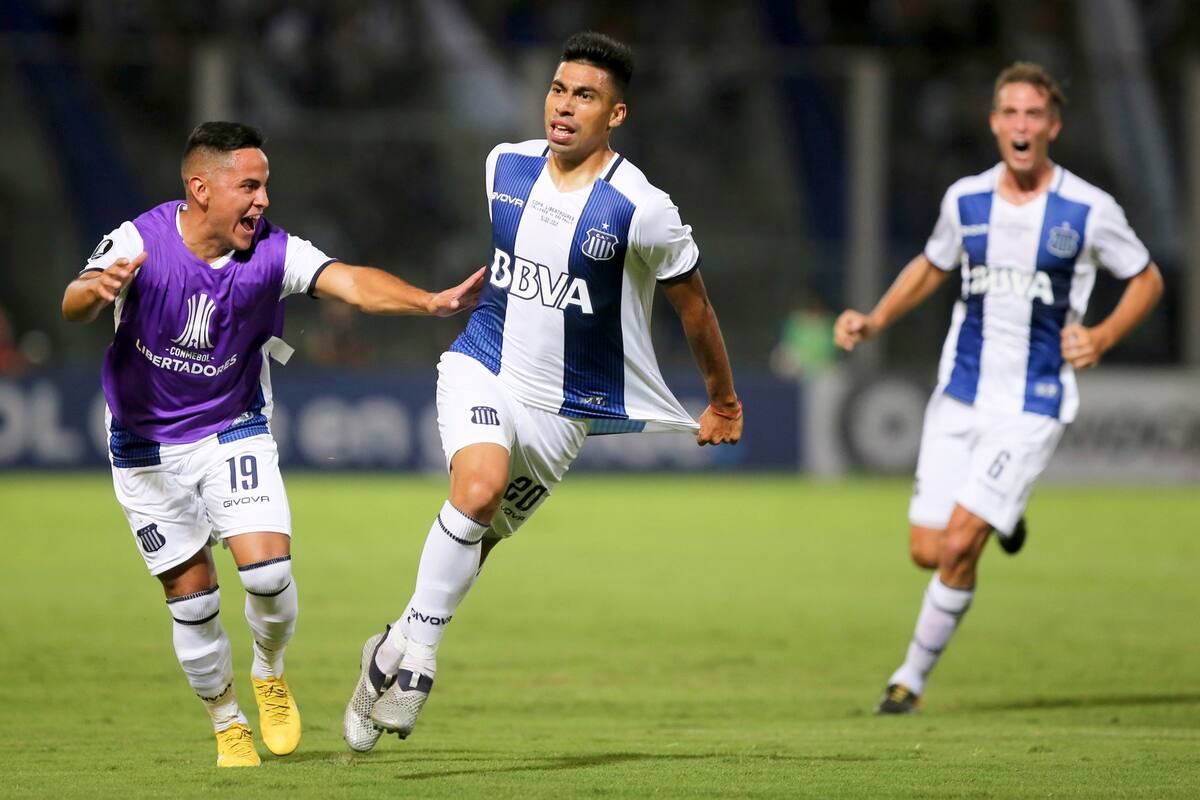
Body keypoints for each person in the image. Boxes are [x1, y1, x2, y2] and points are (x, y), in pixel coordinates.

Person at [342, 31, 743, 752]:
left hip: (566, 410)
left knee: (479, 539)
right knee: (477, 491)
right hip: (484, 363)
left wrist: (724, 400)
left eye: (584, 96)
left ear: (615, 115)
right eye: (559, 89)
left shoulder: (642, 207)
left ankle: (390, 647)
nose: (563, 105)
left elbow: (695, 309)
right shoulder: (504, 164)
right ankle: (420, 664)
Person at [61, 121, 484, 766]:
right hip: (144, 447)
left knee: (269, 574)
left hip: (232, 426)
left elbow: (350, 282)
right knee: (194, 603)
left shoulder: (274, 251)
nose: (262, 200)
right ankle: (227, 721)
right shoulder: (138, 241)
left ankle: (269, 669)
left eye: (265, 186)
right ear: (201, 188)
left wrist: (428, 303)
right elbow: (73, 300)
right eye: (249, 187)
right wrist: (93, 292)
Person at [833, 62, 1163, 714]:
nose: (1021, 125)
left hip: (1032, 403)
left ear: (1053, 126)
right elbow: (933, 266)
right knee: (927, 551)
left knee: (960, 546)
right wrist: (874, 319)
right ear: (993, 123)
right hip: (960, 394)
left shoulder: (1088, 209)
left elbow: (1146, 277)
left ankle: (908, 681)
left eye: (1034, 114)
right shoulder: (966, 200)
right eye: (1010, 112)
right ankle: (1003, 515)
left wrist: (1101, 336)